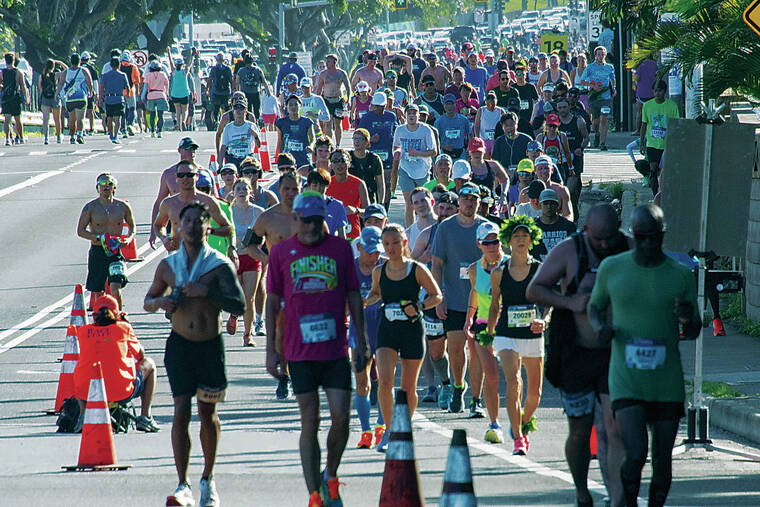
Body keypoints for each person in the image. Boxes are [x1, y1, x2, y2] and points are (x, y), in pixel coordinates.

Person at [587, 204, 701, 507]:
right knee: (635, 452)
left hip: (666, 382)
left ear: (663, 234)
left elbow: (694, 331)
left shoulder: (681, 275)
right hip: (627, 379)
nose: (649, 244)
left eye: (655, 237)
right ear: (632, 235)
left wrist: (688, 319)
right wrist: (601, 328)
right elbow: (594, 307)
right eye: (642, 238)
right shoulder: (613, 268)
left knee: (663, 460)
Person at [264, 191, 369, 507]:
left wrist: (361, 341)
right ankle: (314, 494)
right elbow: (271, 303)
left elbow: (353, 296)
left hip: (335, 349)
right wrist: (271, 350)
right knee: (310, 420)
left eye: (316, 220)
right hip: (298, 351)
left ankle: (331, 475)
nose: (310, 226)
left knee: (341, 418)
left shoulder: (339, 249)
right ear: (295, 219)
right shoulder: (281, 252)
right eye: (304, 220)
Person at [526, 203, 632, 507]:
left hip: (613, 353)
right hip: (575, 355)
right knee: (580, 430)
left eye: (608, 238)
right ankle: (582, 491)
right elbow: (535, 290)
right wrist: (569, 302)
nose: (603, 245)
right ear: (585, 229)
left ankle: (618, 498)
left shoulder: (628, 248)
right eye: (597, 238)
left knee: (614, 427)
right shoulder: (569, 250)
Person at [144, 201, 245, 507]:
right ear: (178, 227)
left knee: (207, 414)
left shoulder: (218, 264)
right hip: (179, 345)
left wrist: (208, 293)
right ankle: (182, 483)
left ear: (207, 227)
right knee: (180, 412)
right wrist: (162, 304)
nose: (191, 227)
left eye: (197, 222)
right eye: (186, 222)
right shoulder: (169, 266)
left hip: (209, 345)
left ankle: (208, 479)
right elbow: (148, 299)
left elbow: (239, 304)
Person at [366, 224, 442, 451]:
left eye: (396, 243)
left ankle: (403, 428)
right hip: (387, 330)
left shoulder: (416, 269)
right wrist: (365, 299)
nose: (391, 248)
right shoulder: (379, 271)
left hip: (411, 330)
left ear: (404, 243)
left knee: (408, 388)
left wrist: (419, 305)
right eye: (387, 244)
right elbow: (376, 293)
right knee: (385, 381)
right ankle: (389, 430)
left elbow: (436, 295)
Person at [484, 216, 547, 454]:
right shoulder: (498, 272)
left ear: (531, 240)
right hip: (506, 333)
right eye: (516, 237)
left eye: (524, 236)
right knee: (513, 381)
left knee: (535, 394)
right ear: (508, 241)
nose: (520, 240)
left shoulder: (540, 269)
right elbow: (493, 306)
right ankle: (518, 438)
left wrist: (544, 320)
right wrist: (490, 335)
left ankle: (522, 420)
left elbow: (548, 302)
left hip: (532, 333)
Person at [431, 184, 489, 413]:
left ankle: (477, 399)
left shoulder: (487, 228)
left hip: (481, 302)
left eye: (473, 199)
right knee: (456, 349)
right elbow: (436, 264)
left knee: (478, 352)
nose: (469, 203)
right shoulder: (445, 228)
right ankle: (458, 386)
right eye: (465, 198)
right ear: (459, 202)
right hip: (454, 299)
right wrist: (438, 297)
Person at [247, 172, 303, 399]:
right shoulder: (267, 217)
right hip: (278, 281)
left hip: (306, 281)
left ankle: (303, 372)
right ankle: (284, 376)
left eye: (295, 189)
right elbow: (250, 246)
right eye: (286, 189)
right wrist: (271, 260)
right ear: (279, 190)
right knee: (281, 330)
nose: (290, 193)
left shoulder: (309, 216)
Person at [74, 294, 159, 433]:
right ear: (117, 314)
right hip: (121, 391)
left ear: (95, 315)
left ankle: (84, 416)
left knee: (81, 370)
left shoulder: (83, 332)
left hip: (88, 392)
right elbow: (140, 355)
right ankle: (145, 416)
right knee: (149, 364)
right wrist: (125, 324)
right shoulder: (123, 328)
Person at [464, 221, 506, 427]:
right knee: (486, 369)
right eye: (486, 243)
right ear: (479, 244)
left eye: (495, 241)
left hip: (507, 323)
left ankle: (518, 407)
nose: (492, 246)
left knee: (512, 372)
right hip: (482, 322)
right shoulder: (473, 269)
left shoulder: (511, 264)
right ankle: (479, 404)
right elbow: (474, 292)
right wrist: (468, 318)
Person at [350, 226, 387, 449]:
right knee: (362, 382)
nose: (375, 257)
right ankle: (365, 432)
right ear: (359, 247)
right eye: (370, 251)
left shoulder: (387, 266)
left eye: (377, 252)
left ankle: (382, 428)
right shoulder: (350, 269)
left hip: (384, 327)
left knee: (385, 379)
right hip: (359, 329)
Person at [77, 173, 134, 311]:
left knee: (116, 287)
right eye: (102, 185)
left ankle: (119, 316)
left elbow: (132, 227)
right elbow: (80, 231)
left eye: (109, 185)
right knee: (98, 291)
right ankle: (100, 317)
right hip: (98, 251)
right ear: (97, 188)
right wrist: (97, 238)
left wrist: (128, 239)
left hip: (115, 252)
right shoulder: (90, 207)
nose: (106, 188)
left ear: (114, 188)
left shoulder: (122, 207)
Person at [153, 160, 233, 255]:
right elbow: (158, 225)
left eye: (189, 175)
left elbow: (227, 228)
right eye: (181, 175)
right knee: (162, 269)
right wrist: (164, 238)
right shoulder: (169, 203)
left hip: (201, 255)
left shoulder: (208, 201)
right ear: (176, 177)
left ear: (197, 176)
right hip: (178, 255)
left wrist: (208, 230)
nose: (185, 178)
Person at [229, 179, 265, 346]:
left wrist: (257, 242)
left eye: (245, 188)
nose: (242, 191)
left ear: (251, 191)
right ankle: (234, 313)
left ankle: (247, 335)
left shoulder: (258, 212)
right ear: (233, 193)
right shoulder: (228, 211)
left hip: (252, 257)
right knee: (238, 296)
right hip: (233, 258)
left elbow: (264, 235)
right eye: (239, 189)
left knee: (249, 297)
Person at [149, 137, 203, 248]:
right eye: (188, 148)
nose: (191, 151)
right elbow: (159, 202)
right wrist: (153, 233)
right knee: (176, 262)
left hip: (199, 225)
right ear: (179, 150)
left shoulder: (204, 173)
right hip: (176, 225)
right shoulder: (169, 174)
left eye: (193, 148)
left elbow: (216, 200)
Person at [392, 103, 437, 227]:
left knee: (424, 203)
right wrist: (397, 153)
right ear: (405, 116)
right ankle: (410, 231)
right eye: (409, 113)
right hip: (405, 169)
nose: (411, 116)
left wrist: (418, 153)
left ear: (418, 115)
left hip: (422, 170)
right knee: (409, 203)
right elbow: (396, 146)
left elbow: (434, 151)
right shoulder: (400, 130)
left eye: (414, 113)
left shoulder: (426, 130)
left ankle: (426, 228)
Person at [640, 80, 680, 197]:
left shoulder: (672, 106)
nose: (657, 93)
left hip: (667, 144)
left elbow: (676, 125)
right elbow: (644, 124)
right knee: (653, 170)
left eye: (660, 91)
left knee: (665, 172)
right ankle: (655, 196)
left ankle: (665, 195)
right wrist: (641, 143)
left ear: (664, 92)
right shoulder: (647, 105)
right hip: (652, 144)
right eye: (655, 91)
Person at [358, 93, 397, 207]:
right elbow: (359, 134)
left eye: (381, 106)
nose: (379, 108)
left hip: (387, 154)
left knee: (387, 184)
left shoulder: (391, 116)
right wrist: (369, 139)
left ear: (386, 105)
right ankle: (373, 207)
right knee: (372, 183)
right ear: (373, 105)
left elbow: (396, 131)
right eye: (377, 106)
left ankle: (384, 209)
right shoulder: (366, 117)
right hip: (371, 154)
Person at [326, 148, 370, 240]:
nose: (339, 164)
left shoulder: (359, 183)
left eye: (343, 161)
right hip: (331, 235)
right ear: (331, 165)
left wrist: (355, 210)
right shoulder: (326, 184)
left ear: (349, 164)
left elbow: (369, 212)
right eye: (336, 161)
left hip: (353, 236)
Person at [581, 46, 616, 151]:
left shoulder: (609, 67)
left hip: (605, 96)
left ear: (605, 55)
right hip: (594, 96)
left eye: (602, 54)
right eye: (598, 54)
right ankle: (597, 133)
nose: (600, 56)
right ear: (595, 56)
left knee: (604, 119)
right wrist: (593, 86)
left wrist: (614, 88)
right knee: (596, 121)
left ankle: (602, 143)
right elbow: (583, 81)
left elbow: (612, 79)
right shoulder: (590, 67)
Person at [56, 53, 93, 145]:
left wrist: (57, 94)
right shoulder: (84, 70)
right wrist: (91, 92)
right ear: (79, 61)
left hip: (70, 99)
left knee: (72, 119)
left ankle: (72, 137)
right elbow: (90, 82)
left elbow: (60, 84)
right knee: (80, 118)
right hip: (81, 97)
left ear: (70, 61)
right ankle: (79, 134)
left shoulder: (65, 72)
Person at [315, 54, 351, 145]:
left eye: (329, 61)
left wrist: (349, 99)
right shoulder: (323, 74)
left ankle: (338, 144)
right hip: (327, 100)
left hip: (338, 101)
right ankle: (329, 144)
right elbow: (319, 89)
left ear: (335, 62)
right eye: (326, 61)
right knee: (328, 123)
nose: (327, 63)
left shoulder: (341, 73)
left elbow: (348, 87)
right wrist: (317, 103)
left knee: (338, 124)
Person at [533, 189, 577, 260]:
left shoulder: (568, 226)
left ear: (557, 205)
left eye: (552, 203)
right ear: (540, 205)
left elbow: (574, 251)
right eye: (545, 203)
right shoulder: (533, 228)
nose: (549, 206)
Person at [219, 95, 261, 169]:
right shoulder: (228, 127)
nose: (238, 110)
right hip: (232, 159)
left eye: (241, 108)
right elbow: (223, 147)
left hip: (247, 159)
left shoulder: (251, 125)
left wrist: (255, 135)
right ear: (233, 111)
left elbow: (259, 145)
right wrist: (220, 163)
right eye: (236, 108)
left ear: (245, 111)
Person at [275, 94, 315, 168]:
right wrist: (279, 156)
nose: (293, 107)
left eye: (296, 104)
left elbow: (312, 138)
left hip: (303, 159)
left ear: (300, 106)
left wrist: (311, 146)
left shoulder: (307, 122)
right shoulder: (281, 122)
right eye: (290, 105)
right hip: (288, 159)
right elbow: (280, 141)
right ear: (287, 107)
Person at [349, 128, 385, 204]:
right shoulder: (347, 157)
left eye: (360, 139)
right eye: (355, 138)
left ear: (367, 142)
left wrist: (381, 203)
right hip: (350, 197)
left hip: (369, 198)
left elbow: (380, 183)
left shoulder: (374, 159)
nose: (357, 141)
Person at [533, 155, 573, 221]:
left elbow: (568, 215)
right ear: (535, 171)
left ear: (552, 170)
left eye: (546, 168)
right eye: (540, 169)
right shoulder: (527, 192)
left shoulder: (562, 191)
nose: (544, 171)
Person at [98, 57, 129, 144]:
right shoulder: (123, 75)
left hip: (108, 98)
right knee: (117, 118)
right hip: (119, 98)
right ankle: (115, 136)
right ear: (119, 65)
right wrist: (126, 95)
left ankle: (111, 135)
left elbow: (101, 87)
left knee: (110, 118)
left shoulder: (105, 76)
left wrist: (101, 98)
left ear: (111, 65)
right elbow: (127, 87)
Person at [536, 113, 574, 183]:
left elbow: (567, 152)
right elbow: (537, 154)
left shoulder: (562, 136)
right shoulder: (541, 137)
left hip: (558, 166)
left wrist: (570, 168)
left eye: (554, 126)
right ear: (546, 125)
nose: (552, 128)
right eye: (550, 126)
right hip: (544, 166)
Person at [492, 112, 533, 176]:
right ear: (502, 127)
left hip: (524, 175)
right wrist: (507, 172)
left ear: (517, 124)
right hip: (505, 175)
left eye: (511, 125)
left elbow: (532, 159)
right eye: (506, 125)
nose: (509, 128)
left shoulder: (527, 140)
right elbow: (495, 162)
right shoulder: (499, 142)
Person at [434, 93, 471, 161]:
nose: (449, 107)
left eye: (451, 104)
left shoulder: (463, 120)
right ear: (443, 105)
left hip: (460, 154)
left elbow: (470, 135)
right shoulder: (438, 122)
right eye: (447, 104)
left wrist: (469, 149)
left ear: (455, 104)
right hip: (445, 153)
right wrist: (444, 147)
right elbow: (435, 140)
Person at [235, 52, 271, 119]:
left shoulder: (241, 71)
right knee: (256, 109)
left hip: (245, 93)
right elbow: (264, 81)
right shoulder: (258, 70)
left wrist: (238, 92)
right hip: (255, 93)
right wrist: (268, 91)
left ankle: (248, 121)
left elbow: (237, 82)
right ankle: (256, 122)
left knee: (247, 110)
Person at [38, 58, 65, 145]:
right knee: (57, 119)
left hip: (45, 98)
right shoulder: (56, 75)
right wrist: (60, 63)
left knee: (46, 119)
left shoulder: (41, 76)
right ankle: (58, 136)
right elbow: (67, 70)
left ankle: (46, 138)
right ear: (53, 66)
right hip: (54, 97)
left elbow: (41, 88)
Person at [473, 92, 506, 157]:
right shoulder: (481, 110)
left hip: (496, 140)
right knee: (486, 158)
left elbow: (505, 124)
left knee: (496, 157)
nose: (491, 106)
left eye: (493, 104)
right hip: (484, 139)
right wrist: (477, 138)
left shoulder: (501, 111)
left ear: (496, 102)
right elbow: (476, 125)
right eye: (489, 104)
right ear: (486, 102)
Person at [143, 61, 170, 138]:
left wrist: (143, 97)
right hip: (161, 95)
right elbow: (166, 84)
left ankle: (152, 131)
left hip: (151, 95)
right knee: (160, 115)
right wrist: (167, 94)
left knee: (152, 114)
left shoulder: (148, 76)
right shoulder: (163, 74)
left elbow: (145, 87)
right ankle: (160, 131)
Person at [633, 55, 658, 136]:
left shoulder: (641, 65)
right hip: (652, 92)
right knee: (653, 113)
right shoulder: (655, 65)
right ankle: (652, 129)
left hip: (642, 92)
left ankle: (638, 130)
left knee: (640, 113)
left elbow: (637, 78)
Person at [207, 52, 234, 126]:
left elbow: (210, 80)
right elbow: (231, 81)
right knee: (226, 108)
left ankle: (216, 122)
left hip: (216, 92)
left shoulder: (214, 69)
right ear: (224, 60)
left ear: (217, 60)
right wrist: (233, 91)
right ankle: (228, 123)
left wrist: (207, 90)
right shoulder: (228, 69)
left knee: (216, 108)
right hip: (226, 92)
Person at [169, 57, 192, 131]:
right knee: (184, 110)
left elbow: (170, 62)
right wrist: (192, 55)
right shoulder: (184, 72)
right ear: (182, 65)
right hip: (184, 93)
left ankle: (179, 126)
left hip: (175, 94)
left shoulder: (174, 72)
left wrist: (169, 53)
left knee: (178, 111)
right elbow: (189, 64)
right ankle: (183, 122)